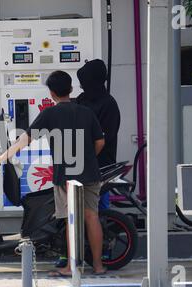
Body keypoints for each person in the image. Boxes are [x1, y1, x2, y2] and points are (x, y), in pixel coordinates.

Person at [0, 70, 106, 276]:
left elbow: (25, 139)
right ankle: (98, 266)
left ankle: (71, 267)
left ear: (51, 93)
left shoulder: (50, 114)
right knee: (91, 217)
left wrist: (2, 157)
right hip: (90, 173)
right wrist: (89, 159)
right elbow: (100, 142)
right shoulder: (86, 112)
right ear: (71, 89)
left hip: (66, 176)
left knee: (72, 219)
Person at [55, 59, 121, 268]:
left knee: (97, 211)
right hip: (78, 163)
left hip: (101, 165)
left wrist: (87, 159)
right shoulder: (83, 99)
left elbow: (104, 139)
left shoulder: (109, 105)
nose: (82, 86)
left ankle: (100, 255)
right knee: (73, 212)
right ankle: (71, 253)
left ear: (94, 81)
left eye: (84, 81)